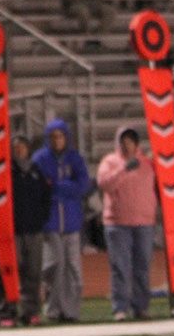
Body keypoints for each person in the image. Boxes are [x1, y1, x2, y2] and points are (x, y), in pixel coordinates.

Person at [32, 118, 90, 323]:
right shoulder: (40, 159)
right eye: (54, 137)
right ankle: (54, 309)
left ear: (67, 137)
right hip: (51, 221)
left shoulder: (75, 159)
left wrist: (57, 186)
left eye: (61, 136)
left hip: (72, 222)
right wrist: (65, 187)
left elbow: (83, 185)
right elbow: (39, 188)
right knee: (55, 264)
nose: (57, 140)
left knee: (73, 267)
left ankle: (72, 310)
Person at [96, 126, 158, 321]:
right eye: (124, 140)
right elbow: (104, 184)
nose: (127, 144)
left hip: (144, 221)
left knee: (142, 265)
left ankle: (141, 306)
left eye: (131, 140)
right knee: (120, 266)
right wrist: (124, 168)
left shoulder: (147, 162)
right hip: (118, 222)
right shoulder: (110, 161)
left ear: (136, 143)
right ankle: (120, 307)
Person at [0, 135, 52, 327]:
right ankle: (5, 312)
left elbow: (46, 197)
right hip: (12, 231)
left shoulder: (36, 172)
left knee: (33, 272)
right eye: (16, 147)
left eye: (22, 147)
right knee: (7, 272)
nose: (19, 150)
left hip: (33, 230)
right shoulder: (5, 173)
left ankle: (31, 311)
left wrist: (40, 219)